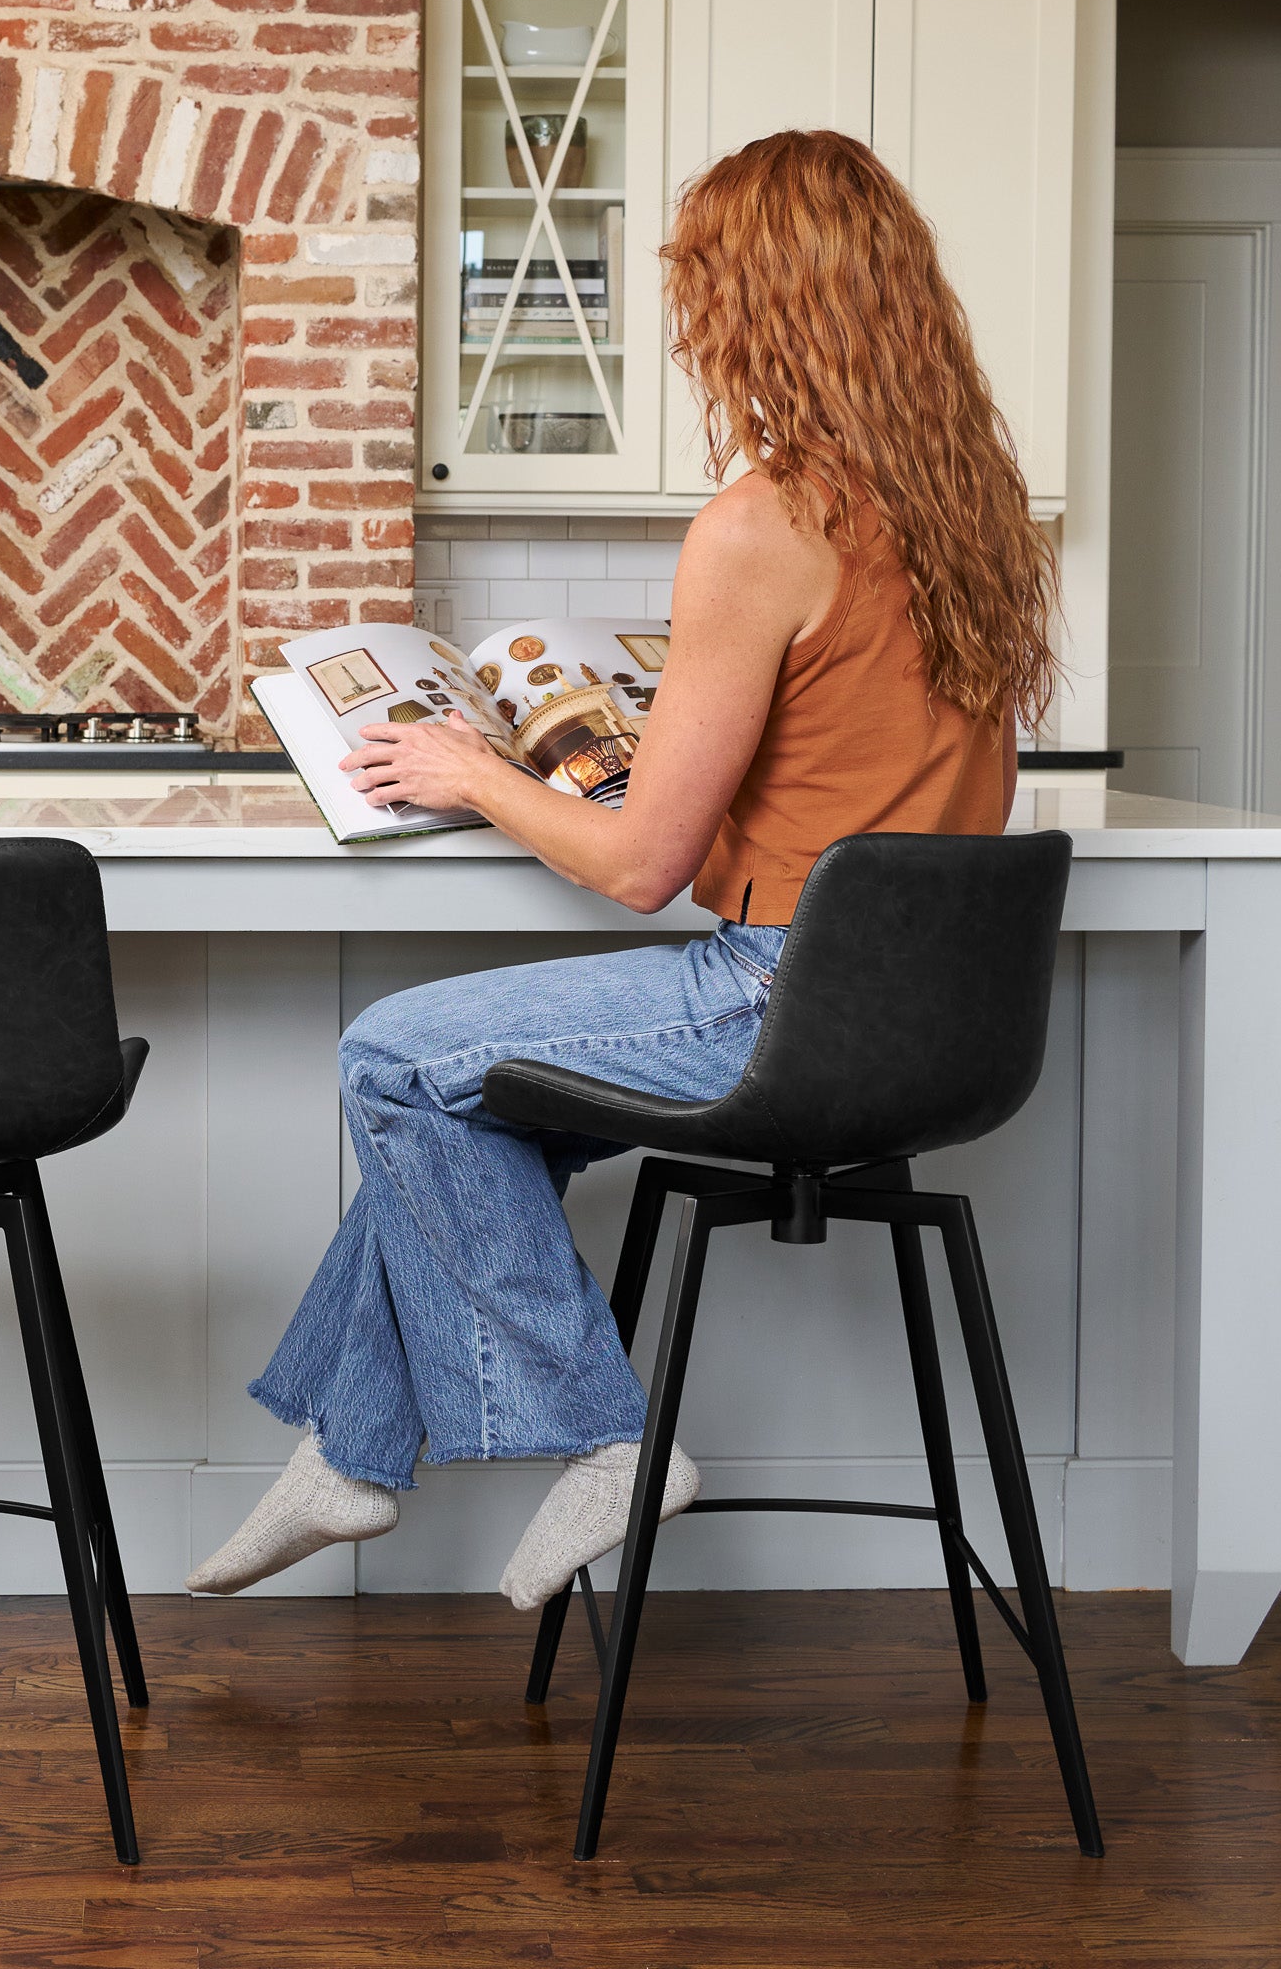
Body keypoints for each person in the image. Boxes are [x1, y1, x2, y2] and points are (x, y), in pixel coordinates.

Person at [188, 129, 1060, 1609]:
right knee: (471, 1129)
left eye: (699, 287)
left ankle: (603, 1438)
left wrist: (479, 771)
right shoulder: (972, 512)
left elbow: (645, 869)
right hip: (931, 1030)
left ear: (759, 304)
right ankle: (351, 1445)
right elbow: (841, 800)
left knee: (394, 1058)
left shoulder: (765, 521)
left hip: (778, 1005)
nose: (686, 324)